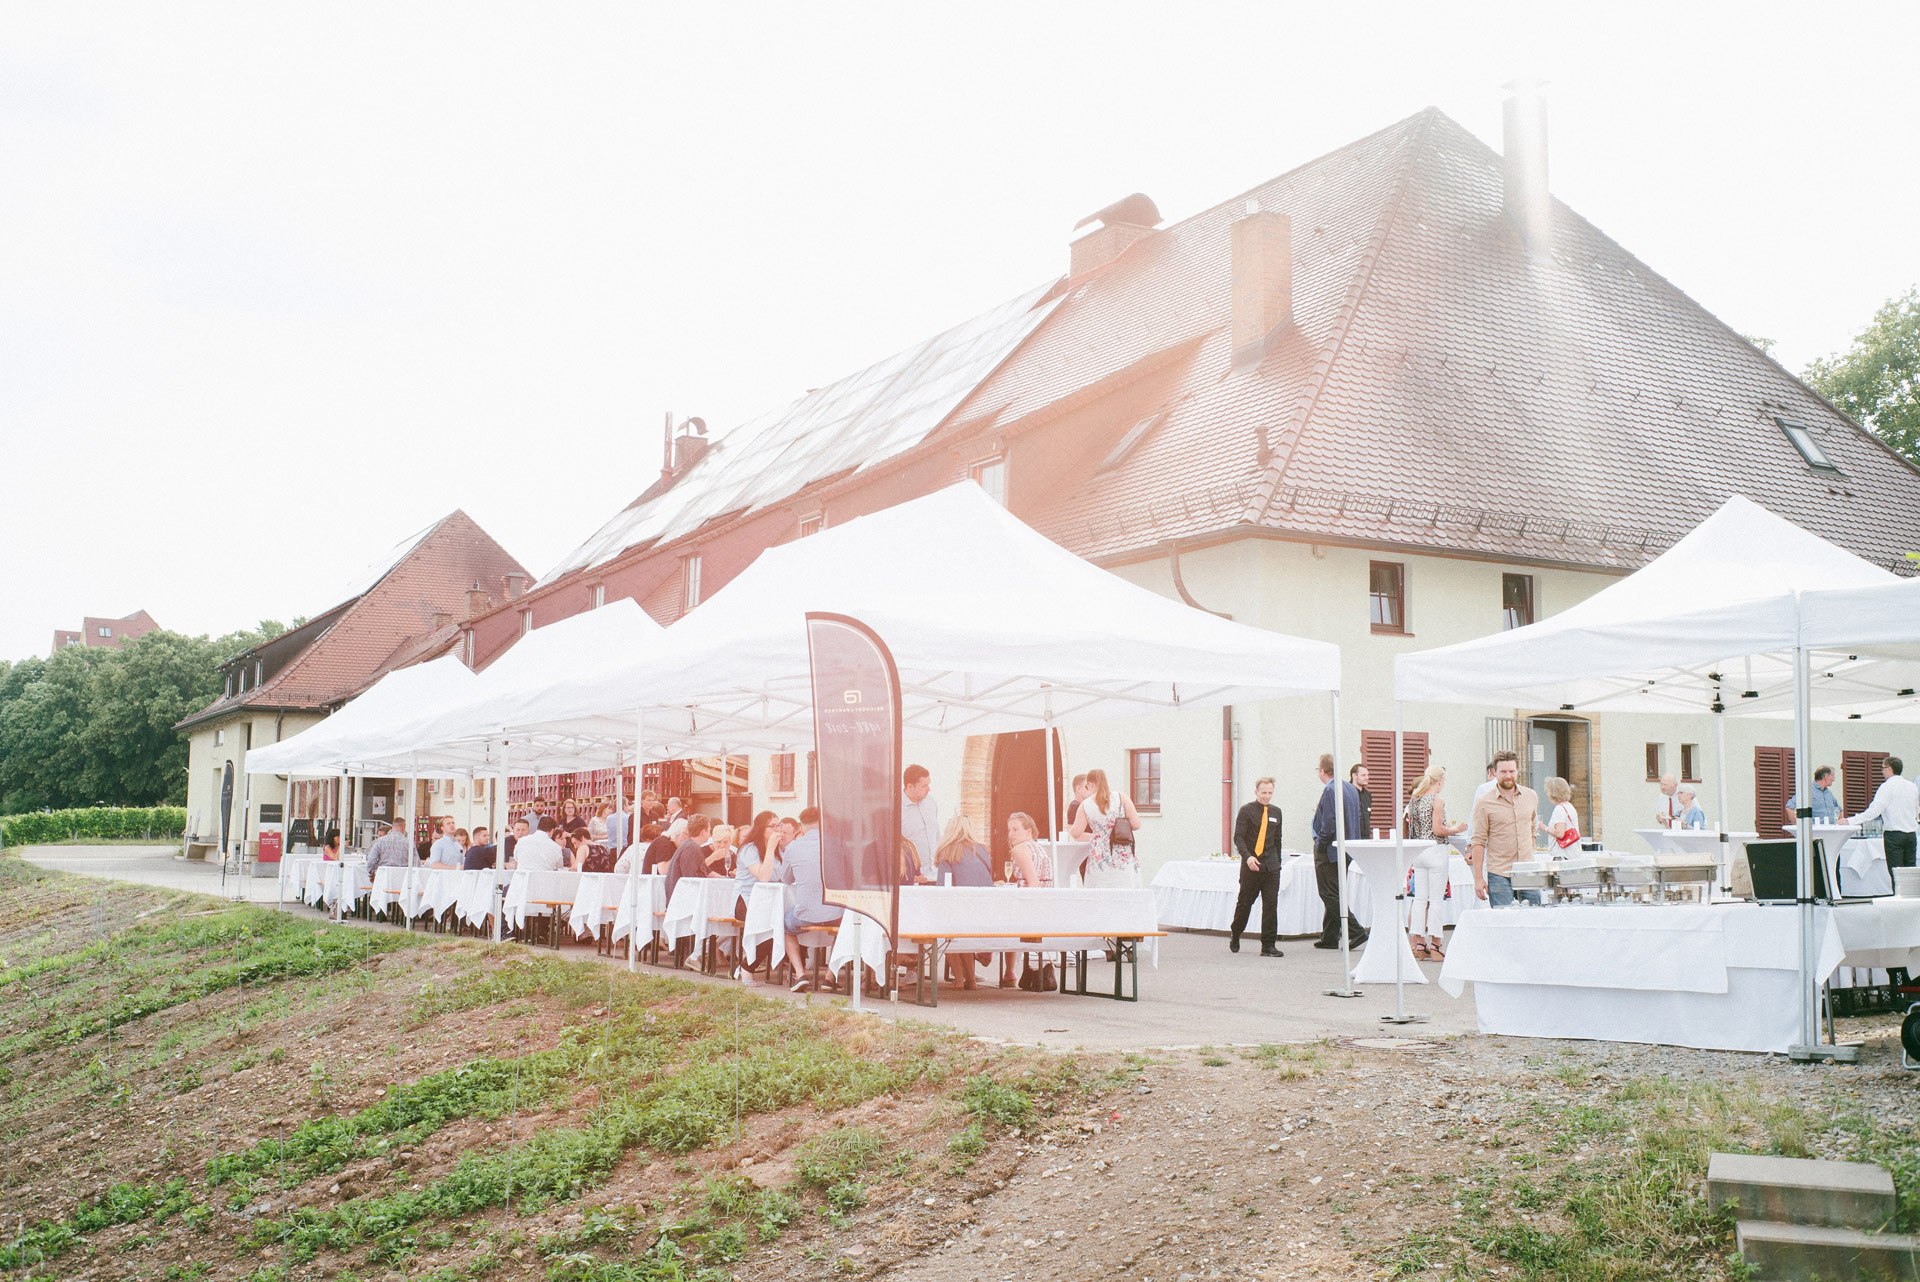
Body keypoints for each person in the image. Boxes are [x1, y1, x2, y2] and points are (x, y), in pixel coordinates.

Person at [780, 807, 844, 993]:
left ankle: (800, 974)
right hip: (835, 911)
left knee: (784, 925)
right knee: (845, 926)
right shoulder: (838, 844)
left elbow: (786, 879)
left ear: (801, 826)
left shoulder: (792, 847)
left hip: (805, 913)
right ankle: (830, 977)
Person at [1405, 766, 1465, 961]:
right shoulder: (1437, 801)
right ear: (1439, 782)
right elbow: (1438, 830)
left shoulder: (1414, 800)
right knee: (1436, 899)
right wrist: (1457, 829)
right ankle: (1436, 944)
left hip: (1418, 851)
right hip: (1436, 850)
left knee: (1420, 899)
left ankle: (1419, 942)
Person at [1309, 755, 1368, 949]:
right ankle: (1329, 936)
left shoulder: (1330, 789)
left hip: (1330, 849)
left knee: (1328, 893)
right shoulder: (1350, 788)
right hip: (1345, 848)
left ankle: (1355, 930)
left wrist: (1320, 843)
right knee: (1335, 891)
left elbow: (1329, 822)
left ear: (1322, 771)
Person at [1469, 750, 1540, 907]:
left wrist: (1530, 855)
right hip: (1499, 873)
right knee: (1504, 921)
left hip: (1528, 870)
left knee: (1535, 919)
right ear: (1494, 772)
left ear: (1517, 771)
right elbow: (1478, 841)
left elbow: (1532, 829)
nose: (1508, 775)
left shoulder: (1531, 796)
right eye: (1503, 772)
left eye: (1511, 771)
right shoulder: (1484, 802)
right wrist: (1478, 879)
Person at [1229, 777, 1284, 958]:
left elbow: (1277, 840)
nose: (1267, 796)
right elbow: (1238, 837)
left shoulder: (1276, 812)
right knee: (1245, 903)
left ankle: (1268, 945)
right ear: (1256, 792)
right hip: (1252, 865)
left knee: (1270, 905)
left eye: (1270, 793)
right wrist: (1248, 857)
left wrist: (1278, 862)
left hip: (1271, 866)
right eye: (1263, 793)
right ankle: (1236, 932)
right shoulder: (1246, 811)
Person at [1068, 768, 1142, 888]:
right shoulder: (1121, 797)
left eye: (1087, 787)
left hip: (1099, 855)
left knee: (1100, 889)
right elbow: (1136, 824)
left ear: (1090, 784)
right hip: (1122, 852)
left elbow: (1076, 833)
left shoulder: (1086, 804)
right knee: (1125, 888)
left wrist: (1098, 834)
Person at [1848, 756, 1918, 871]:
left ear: (1889, 769)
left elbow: (1874, 811)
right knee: (1910, 872)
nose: (1882, 772)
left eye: (1882, 768)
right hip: (1911, 835)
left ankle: (1897, 890)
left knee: (1896, 872)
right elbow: (1916, 811)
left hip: (1894, 835)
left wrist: (1851, 820)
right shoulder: (1912, 786)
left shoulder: (1886, 787)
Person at [901, 765, 940, 883]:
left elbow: (937, 836)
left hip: (936, 876)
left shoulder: (931, 803)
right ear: (910, 786)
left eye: (928, 784)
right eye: (924, 786)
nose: (929, 789)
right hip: (913, 880)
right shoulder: (896, 808)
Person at [664, 814, 715, 899]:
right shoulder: (692, 848)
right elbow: (690, 878)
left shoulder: (689, 846)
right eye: (709, 830)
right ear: (703, 832)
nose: (710, 834)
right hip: (684, 900)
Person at [1544, 777, 1583, 845]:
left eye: (1548, 791)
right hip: (1572, 851)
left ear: (1554, 792)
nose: (1547, 794)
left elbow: (1560, 834)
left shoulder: (1559, 809)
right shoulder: (1569, 806)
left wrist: (1544, 827)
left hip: (1562, 853)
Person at [1351, 764, 1374, 839]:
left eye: (1367, 775)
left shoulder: (1368, 795)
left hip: (1366, 838)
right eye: (1363, 775)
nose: (1367, 778)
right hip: (1352, 837)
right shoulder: (1347, 793)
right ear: (1354, 775)